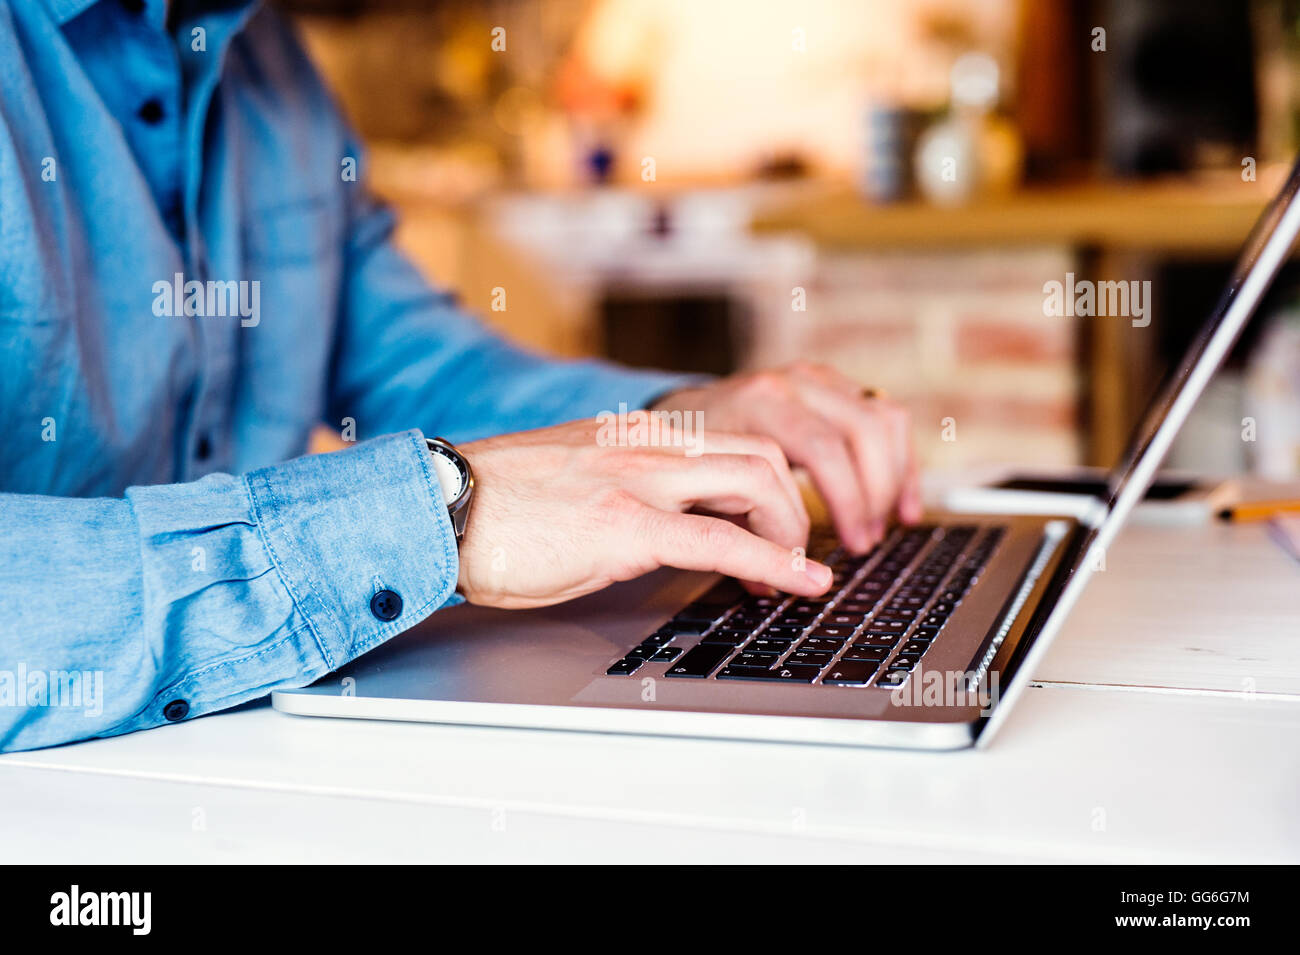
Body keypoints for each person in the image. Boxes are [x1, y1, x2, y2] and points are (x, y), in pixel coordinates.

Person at [0, 0, 919, 752]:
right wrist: (435, 514)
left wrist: (671, 422)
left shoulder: (263, 54)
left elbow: (400, 353)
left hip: (255, 755)